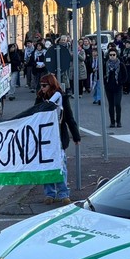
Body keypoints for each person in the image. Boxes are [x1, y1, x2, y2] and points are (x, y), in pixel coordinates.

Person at [35, 74, 81, 205]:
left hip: (59, 137)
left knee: (61, 165)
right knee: (47, 165)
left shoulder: (62, 98)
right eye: (41, 85)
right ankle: (49, 194)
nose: (42, 88)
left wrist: (76, 136)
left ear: (51, 85)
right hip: (44, 137)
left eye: (44, 85)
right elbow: (34, 116)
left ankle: (63, 194)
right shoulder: (40, 98)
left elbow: (69, 118)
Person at [103, 49, 128, 128]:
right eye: (110, 55)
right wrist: (105, 82)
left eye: (114, 55)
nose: (112, 56)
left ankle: (118, 121)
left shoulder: (120, 64)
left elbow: (125, 75)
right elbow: (102, 74)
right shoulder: (106, 64)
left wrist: (121, 82)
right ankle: (112, 122)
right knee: (111, 105)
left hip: (118, 87)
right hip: (109, 87)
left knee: (117, 104)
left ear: (116, 55)